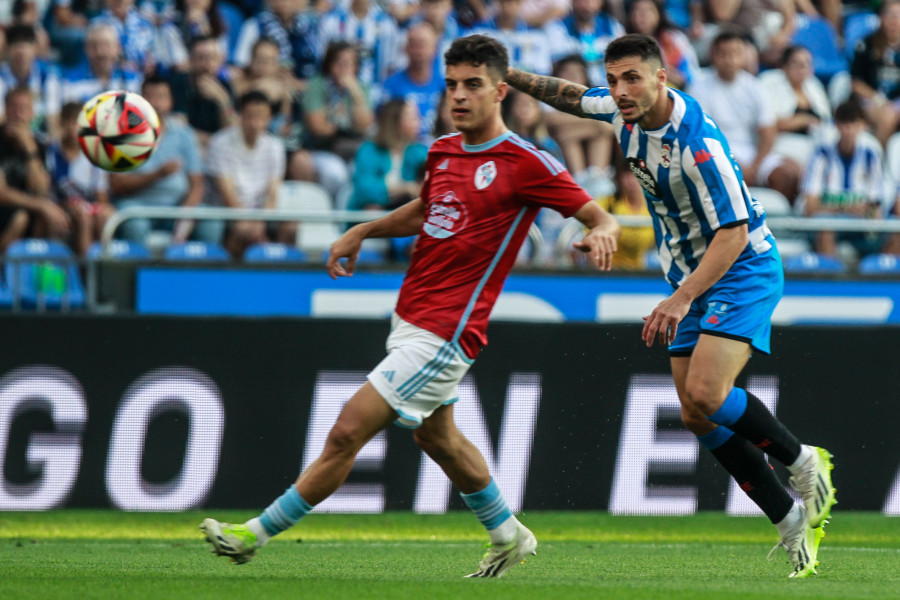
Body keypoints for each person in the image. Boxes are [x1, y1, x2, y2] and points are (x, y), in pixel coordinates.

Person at [200, 34, 621, 577]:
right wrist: (363, 230)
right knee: (437, 437)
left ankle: (250, 535)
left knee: (348, 431)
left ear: (500, 91)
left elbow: (597, 214)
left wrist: (602, 233)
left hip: (449, 330)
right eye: (451, 86)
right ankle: (508, 533)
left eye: (473, 85)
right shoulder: (443, 150)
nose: (460, 96)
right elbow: (428, 208)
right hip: (411, 316)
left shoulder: (527, 162)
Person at [506, 33, 837, 578]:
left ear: (663, 77)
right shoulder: (620, 111)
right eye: (613, 80)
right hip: (691, 275)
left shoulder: (695, 142)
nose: (620, 91)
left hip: (742, 268)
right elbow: (569, 96)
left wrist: (679, 301)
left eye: (632, 77)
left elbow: (732, 232)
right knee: (694, 413)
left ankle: (803, 461)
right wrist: (510, 76)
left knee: (708, 393)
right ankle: (788, 518)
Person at [109, 76, 223, 248]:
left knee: (211, 223)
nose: (156, 103)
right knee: (135, 225)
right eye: (151, 97)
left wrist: (187, 212)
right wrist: (157, 175)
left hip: (177, 207)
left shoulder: (185, 134)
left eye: (162, 97)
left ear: (170, 101)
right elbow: (117, 185)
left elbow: (197, 182)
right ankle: (137, 274)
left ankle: (202, 275)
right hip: (138, 206)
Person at [689, 29, 801, 203]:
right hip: (717, 153)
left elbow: (768, 132)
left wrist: (756, 165)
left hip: (752, 152)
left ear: (744, 55)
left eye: (736, 53)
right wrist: (736, 163)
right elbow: (702, 136)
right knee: (724, 171)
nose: (730, 59)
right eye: (724, 54)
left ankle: (773, 224)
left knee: (789, 172)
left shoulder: (755, 86)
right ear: (714, 55)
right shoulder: (699, 87)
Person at [206, 90, 290, 258]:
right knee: (242, 230)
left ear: (269, 118)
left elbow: (272, 194)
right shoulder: (220, 143)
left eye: (261, 117)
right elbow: (229, 196)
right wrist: (248, 223)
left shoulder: (276, 147)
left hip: (260, 213)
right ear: (240, 116)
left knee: (290, 226)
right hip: (227, 212)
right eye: (250, 116)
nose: (255, 123)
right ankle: (231, 275)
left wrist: (260, 222)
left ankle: (282, 272)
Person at [801, 99, 887, 259]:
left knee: (892, 234)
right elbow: (810, 207)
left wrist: (868, 215)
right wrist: (846, 208)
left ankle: (879, 277)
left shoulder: (871, 153)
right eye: (844, 124)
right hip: (828, 223)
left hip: (859, 224)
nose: (848, 130)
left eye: (853, 124)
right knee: (825, 229)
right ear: (836, 126)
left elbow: (876, 207)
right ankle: (829, 281)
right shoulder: (821, 153)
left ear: (863, 126)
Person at [0, 86, 70, 248]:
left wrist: (29, 149)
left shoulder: (38, 145)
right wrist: (42, 206)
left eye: (24, 109)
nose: (18, 114)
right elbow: (1, 193)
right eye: (14, 108)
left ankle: (40, 268)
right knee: (21, 218)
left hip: (27, 206)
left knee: (52, 219)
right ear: (6, 111)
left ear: (33, 114)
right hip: (7, 208)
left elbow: (41, 189)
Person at [46, 101, 113, 257]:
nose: (73, 128)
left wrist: (102, 209)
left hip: (87, 207)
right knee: (83, 218)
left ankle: (102, 268)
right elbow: (45, 191)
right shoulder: (51, 152)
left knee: (104, 217)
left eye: (78, 122)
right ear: (61, 124)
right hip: (59, 205)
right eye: (69, 122)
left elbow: (101, 196)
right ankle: (86, 273)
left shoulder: (95, 155)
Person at [348, 99, 428, 212]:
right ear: (395, 121)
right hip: (368, 217)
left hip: (404, 214)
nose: (419, 122)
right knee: (372, 209)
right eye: (414, 118)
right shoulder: (369, 150)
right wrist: (403, 189)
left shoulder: (419, 151)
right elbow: (364, 189)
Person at [381, 22, 446, 143]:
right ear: (406, 49)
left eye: (423, 45)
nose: (418, 51)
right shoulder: (391, 86)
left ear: (435, 49)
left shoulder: (446, 86)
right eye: (414, 45)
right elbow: (385, 128)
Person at [850, 0, 900, 146]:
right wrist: (878, 99)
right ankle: (878, 162)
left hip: (896, 100)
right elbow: (856, 83)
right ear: (881, 17)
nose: (895, 21)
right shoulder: (866, 44)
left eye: (898, 16)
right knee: (887, 117)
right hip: (871, 98)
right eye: (891, 15)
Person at [0, 24, 61, 138]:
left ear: (35, 48)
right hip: (8, 136)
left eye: (26, 45)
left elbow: (53, 117)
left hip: (40, 138)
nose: (21, 51)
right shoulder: (1, 76)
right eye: (15, 45)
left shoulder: (47, 76)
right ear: (7, 49)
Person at [59, 22, 142, 104]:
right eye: (94, 46)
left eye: (106, 45)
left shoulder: (134, 80)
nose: (100, 52)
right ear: (85, 49)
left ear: (118, 48)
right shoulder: (70, 83)